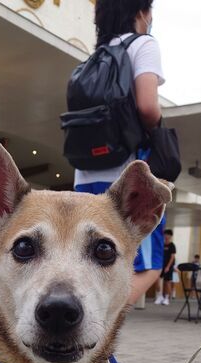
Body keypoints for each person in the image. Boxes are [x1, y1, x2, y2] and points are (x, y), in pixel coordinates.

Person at [75, 0, 165, 305]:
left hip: (84, 173)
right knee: (150, 266)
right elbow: (148, 107)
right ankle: (93, 333)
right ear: (141, 12)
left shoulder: (97, 56)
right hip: (125, 173)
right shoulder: (143, 45)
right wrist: (158, 122)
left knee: (83, 257)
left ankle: (82, 332)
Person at [155, 228, 176, 305]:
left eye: (168, 235)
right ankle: (159, 296)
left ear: (170, 236)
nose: (166, 236)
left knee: (167, 282)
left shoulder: (172, 245)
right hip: (160, 265)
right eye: (165, 234)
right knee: (157, 281)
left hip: (168, 266)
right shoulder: (161, 244)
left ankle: (167, 298)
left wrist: (168, 267)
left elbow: (172, 257)